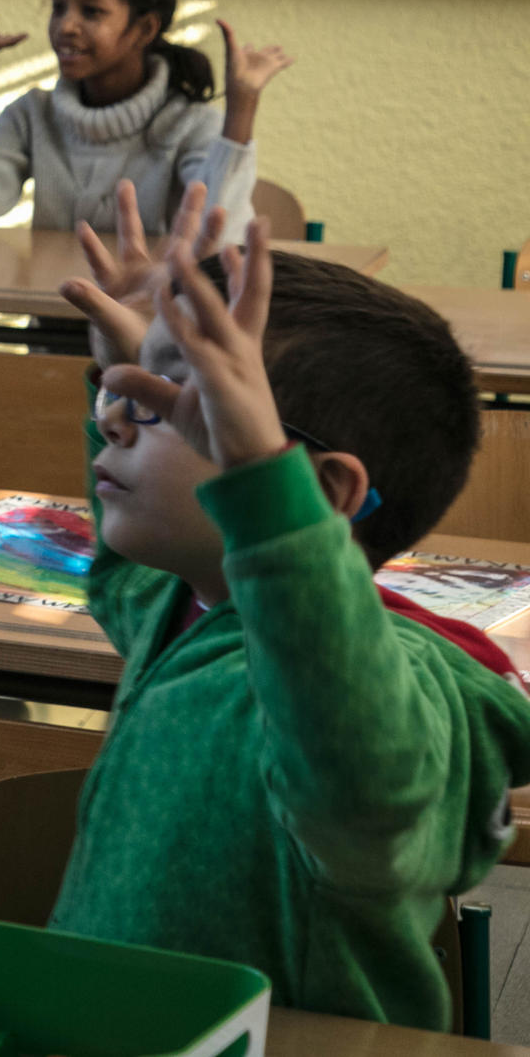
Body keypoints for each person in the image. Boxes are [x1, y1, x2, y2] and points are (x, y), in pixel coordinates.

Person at [53, 181, 530, 1028]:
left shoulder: (387, 693)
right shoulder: (184, 608)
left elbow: (358, 779)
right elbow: (119, 572)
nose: (121, 420)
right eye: (130, 392)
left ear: (317, 489)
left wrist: (263, 487)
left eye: (174, 403)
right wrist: (130, 363)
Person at [0, 0, 291, 240]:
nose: (65, 26)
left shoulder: (189, 124)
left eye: (91, 11)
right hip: (51, 319)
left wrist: (242, 106)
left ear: (146, 29)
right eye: (59, 7)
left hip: (147, 322)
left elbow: (221, 233)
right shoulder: (32, 115)